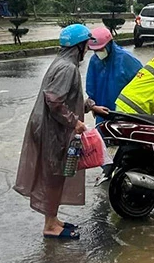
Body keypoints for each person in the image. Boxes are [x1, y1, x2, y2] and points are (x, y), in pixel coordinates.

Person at [13, 24, 109, 240]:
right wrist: (74, 122)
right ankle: (50, 226)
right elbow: (55, 101)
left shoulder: (62, 63)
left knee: (56, 175)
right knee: (55, 176)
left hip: (49, 127)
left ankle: (53, 219)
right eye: (86, 45)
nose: (87, 49)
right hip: (52, 130)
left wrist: (90, 106)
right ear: (79, 46)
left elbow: (68, 97)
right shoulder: (68, 68)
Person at [86, 27, 143, 123]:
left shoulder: (126, 59)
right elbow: (91, 86)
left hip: (124, 114)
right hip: (102, 112)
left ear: (109, 44)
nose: (98, 52)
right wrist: (93, 106)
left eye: (101, 49)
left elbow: (141, 84)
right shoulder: (94, 61)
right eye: (95, 50)